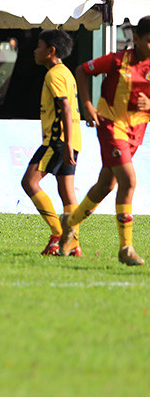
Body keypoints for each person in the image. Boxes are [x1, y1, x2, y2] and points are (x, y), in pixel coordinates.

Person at [59, 16, 150, 266]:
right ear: (137, 39)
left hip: (136, 133)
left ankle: (70, 222)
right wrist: (87, 104)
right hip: (111, 127)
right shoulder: (117, 61)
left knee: (105, 186)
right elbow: (82, 70)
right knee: (129, 181)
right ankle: (126, 248)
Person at [20, 30, 82, 256]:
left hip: (57, 140)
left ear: (51, 51)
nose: (35, 51)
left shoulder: (54, 74)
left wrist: (64, 144)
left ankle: (58, 234)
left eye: (38, 46)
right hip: (72, 139)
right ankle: (73, 245)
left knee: (29, 182)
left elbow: (64, 107)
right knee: (67, 193)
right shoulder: (66, 73)